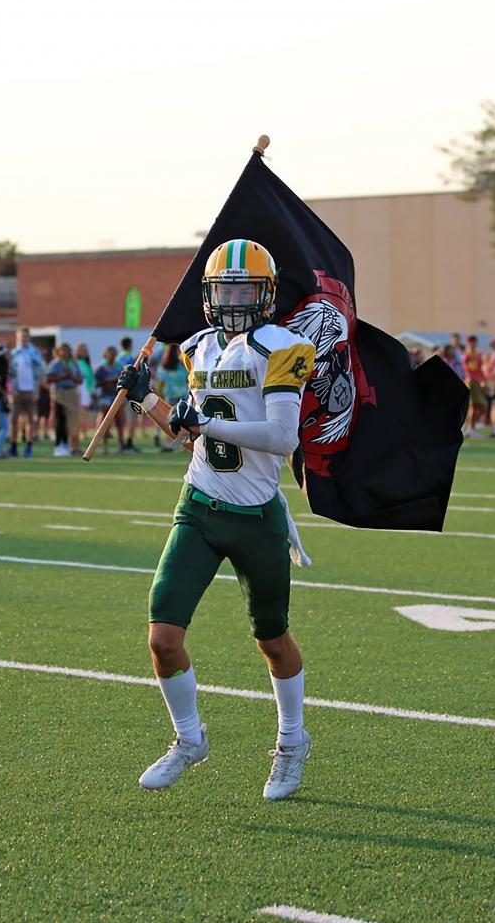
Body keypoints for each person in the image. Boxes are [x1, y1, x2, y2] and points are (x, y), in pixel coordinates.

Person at [117, 239, 316, 800]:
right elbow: (186, 434)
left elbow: (281, 437)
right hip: (200, 505)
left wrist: (205, 424)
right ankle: (188, 738)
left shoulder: (283, 347)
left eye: (243, 289)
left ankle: (292, 741)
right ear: (208, 294)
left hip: (256, 515)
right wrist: (147, 399)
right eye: (223, 289)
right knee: (162, 636)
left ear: (266, 295)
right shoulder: (199, 347)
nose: (232, 299)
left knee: (272, 639)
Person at [8, 326, 43, 458]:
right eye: (21, 336)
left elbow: (39, 373)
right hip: (17, 391)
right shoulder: (13, 354)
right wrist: (11, 390)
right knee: (14, 420)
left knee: (30, 420)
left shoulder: (34, 353)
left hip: (30, 390)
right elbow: (9, 374)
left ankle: (28, 446)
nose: (23, 338)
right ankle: (13, 445)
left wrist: (36, 389)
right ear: (17, 337)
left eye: (25, 336)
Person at [46, 343, 83, 456]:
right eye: (62, 350)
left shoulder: (73, 364)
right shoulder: (55, 364)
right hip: (60, 393)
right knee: (60, 420)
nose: (65, 353)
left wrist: (71, 376)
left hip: (72, 393)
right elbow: (49, 378)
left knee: (73, 421)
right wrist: (62, 376)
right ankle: (59, 444)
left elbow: (80, 379)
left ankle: (74, 445)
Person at [155, 344, 190, 451]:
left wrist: (159, 396)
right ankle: (186, 444)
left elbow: (160, 384)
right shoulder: (182, 366)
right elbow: (188, 380)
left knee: (170, 421)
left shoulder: (163, 367)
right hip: (183, 395)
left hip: (170, 396)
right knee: (185, 422)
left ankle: (169, 443)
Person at [94, 346, 124, 453]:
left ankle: (121, 444)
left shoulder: (118, 367)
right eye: (110, 354)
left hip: (116, 396)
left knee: (119, 420)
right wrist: (107, 382)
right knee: (105, 421)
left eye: (113, 354)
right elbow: (96, 382)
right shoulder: (101, 367)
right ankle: (104, 446)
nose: (112, 356)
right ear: (106, 354)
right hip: (105, 396)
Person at [117, 336, 140, 453]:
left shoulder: (119, 358)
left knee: (122, 419)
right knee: (131, 418)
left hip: (120, 391)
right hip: (130, 391)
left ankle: (122, 442)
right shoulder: (130, 358)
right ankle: (129, 442)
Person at [462, 335, 487, 436]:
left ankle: (471, 427)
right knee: (474, 406)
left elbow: (480, 369)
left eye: (474, 342)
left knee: (481, 406)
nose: (473, 344)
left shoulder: (478, 354)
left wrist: (483, 381)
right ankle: (470, 428)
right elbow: (468, 370)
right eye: (471, 342)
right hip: (471, 382)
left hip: (477, 382)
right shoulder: (467, 355)